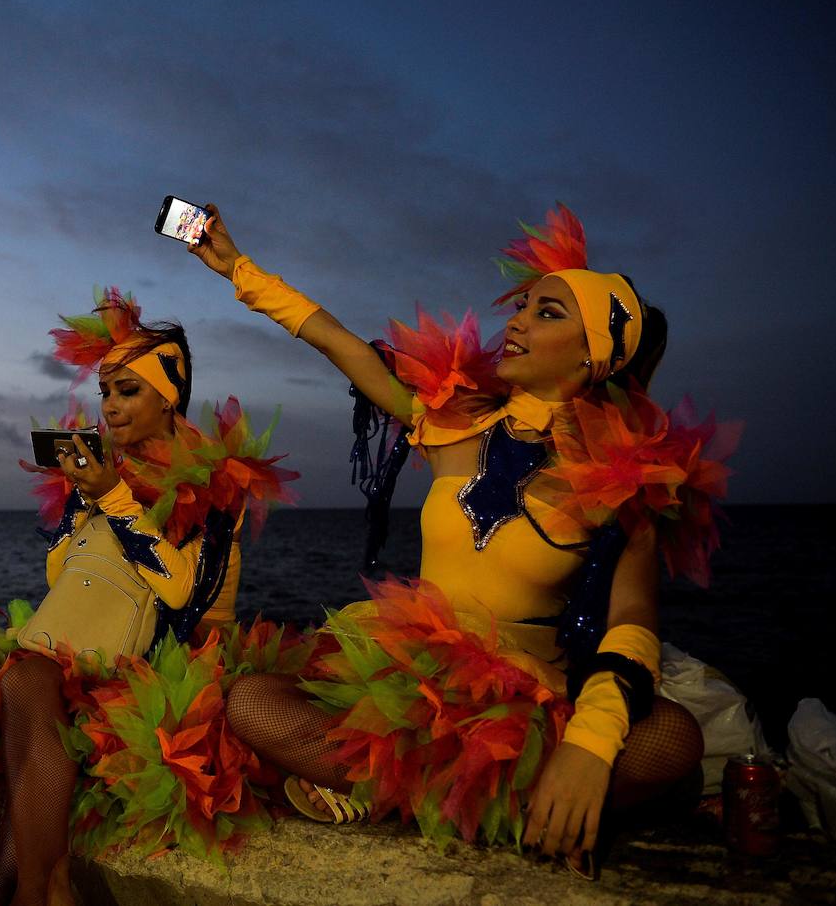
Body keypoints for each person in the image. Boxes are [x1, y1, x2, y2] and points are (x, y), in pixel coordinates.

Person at [185, 204, 734, 877]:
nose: (518, 321)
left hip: (521, 706)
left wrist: (588, 748)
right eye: (523, 306)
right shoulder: (452, 426)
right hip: (407, 685)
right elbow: (341, 345)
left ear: (593, 355)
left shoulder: (628, 481)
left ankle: (409, 790)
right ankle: (499, 808)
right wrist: (237, 268)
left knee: (673, 739)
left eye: (547, 313)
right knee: (251, 701)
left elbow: (632, 622)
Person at [0, 287, 296, 906]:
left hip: (164, 673)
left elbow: (182, 592)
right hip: (86, 650)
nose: (110, 407)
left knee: (28, 701)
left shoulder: (213, 480)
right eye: (105, 392)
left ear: (169, 396)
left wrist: (113, 498)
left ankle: (39, 890)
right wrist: (84, 500)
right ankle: (44, 888)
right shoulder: (112, 472)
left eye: (127, 391)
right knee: (23, 684)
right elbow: (60, 576)